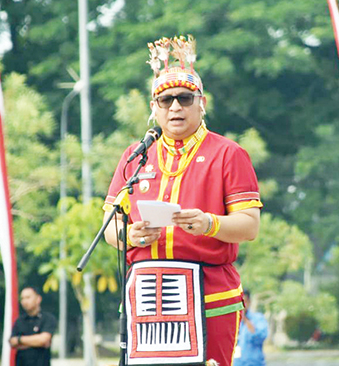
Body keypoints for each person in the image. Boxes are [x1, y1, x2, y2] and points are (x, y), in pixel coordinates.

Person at [103, 35, 262, 366]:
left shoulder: (228, 153)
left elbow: (249, 226)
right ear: (154, 108)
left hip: (210, 294)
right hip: (146, 297)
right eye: (166, 100)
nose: (175, 107)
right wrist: (129, 236)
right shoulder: (135, 157)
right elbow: (109, 226)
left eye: (185, 98)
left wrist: (209, 222)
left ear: (201, 103)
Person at [9, 287, 57, 366]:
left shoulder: (47, 318)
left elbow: (44, 340)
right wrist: (36, 341)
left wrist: (20, 340)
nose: (24, 301)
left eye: (28, 297)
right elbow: (12, 342)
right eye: (22, 298)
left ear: (38, 299)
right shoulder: (19, 321)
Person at [234, 289, 268, 366]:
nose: (241, 305)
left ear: (249, 302)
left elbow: (260, 337)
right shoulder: (231, 321)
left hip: (254, 363)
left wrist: (245, 320)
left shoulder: (258, 318)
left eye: (244, 301)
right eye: (239, 302)